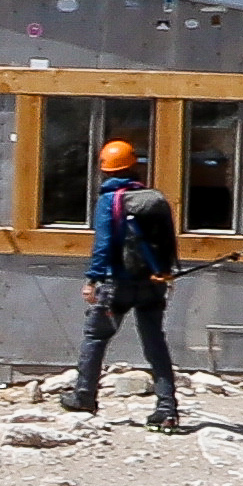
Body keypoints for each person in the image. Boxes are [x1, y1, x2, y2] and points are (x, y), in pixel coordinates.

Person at [66, 135, 184, 428]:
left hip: (117, 284)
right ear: (134, 168)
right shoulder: (153, 199)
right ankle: (167, 408)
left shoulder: (110, 201)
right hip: (153, 281)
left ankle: (84, 396)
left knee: (96, 336)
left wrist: (91, 280)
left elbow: (103, 245)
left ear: (106, 170)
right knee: (155, 342)